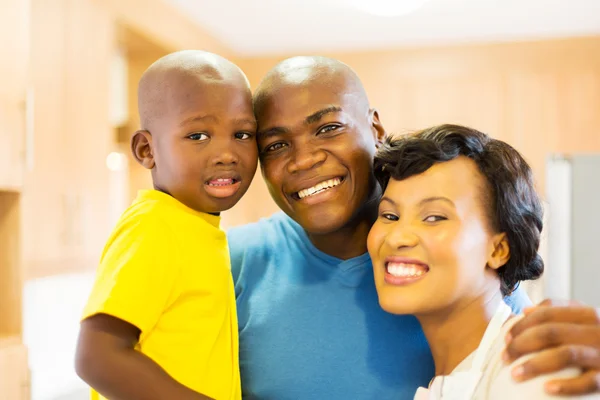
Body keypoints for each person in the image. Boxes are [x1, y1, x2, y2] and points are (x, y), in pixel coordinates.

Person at [228, 56, 600, 399]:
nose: (304, 159)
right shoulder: (232, 262)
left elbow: (531, 345)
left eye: (328, 128)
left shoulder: (505, 343)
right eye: (276, 145)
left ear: (375, 128)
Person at [74, 50, 258, 400]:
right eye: (198, 136)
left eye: (243, 134)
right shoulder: (154, 226)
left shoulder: (199, 230)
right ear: (147, 150)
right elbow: (96, 357)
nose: (226, 153)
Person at [368, 124, 598, 399]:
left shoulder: (532, 370)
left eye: (434, 217)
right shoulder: (448, 379)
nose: (396, 238)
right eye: (390, 216)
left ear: (499, 249)